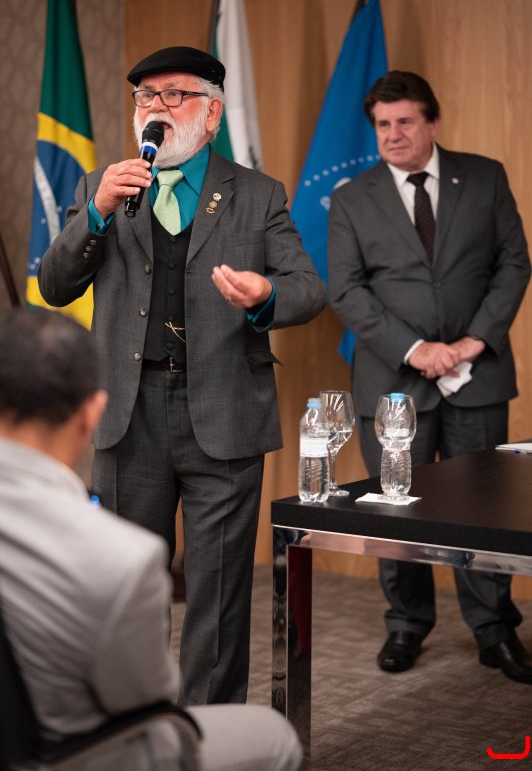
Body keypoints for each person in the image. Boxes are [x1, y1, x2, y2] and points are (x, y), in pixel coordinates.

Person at [38, 46, 327, 706]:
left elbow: (308, 288)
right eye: (146, 97)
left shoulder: (258, 194)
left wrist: (265, 295)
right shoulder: (102, 185)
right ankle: (132, 723)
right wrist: (97, 213)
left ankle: (211, 733)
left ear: (213, 113)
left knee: (218, 594)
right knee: (127, 588)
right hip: (127, 414)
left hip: (224, 413)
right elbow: (54, 285)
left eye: (174, 95)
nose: (157, 108)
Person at [0, 309, 302, 771]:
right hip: (75, 754)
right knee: (275, 735)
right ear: (92, 415)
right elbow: (149, 706)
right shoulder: (123, 560)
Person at [328, 70, 532, 683]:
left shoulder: (485, 176)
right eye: (382, 125)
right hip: (393, 382)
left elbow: (513, 264)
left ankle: (494, 630)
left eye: (405, 122)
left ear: (433, 122)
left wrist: (473, 342)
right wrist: (416, 350)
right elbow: (346, 290)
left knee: (484, 510)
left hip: (478, 374)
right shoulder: (351, 197)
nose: (392, 134)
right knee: (397, 512)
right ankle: (407, 625)